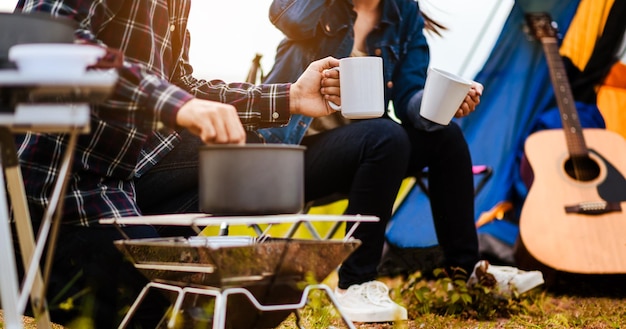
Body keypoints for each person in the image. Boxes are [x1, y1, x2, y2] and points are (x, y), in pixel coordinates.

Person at [11, 0, 348, 328]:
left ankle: (157, 257)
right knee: (162, 306)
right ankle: (28, 263)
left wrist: (290, 97)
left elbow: (179, 87)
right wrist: (174, 104)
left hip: (118, 180)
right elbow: (42, 42)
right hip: (51, 196)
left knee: (236, 155)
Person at [257, 0, 544, 323]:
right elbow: (282, 13)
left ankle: (470, 273)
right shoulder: (315, 9)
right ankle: (355, 282)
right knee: (385, 135)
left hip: (368, 152)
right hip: (291, 158)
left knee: (445, 136)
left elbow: (409, 95)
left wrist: (443, 103)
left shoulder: (402, 13)